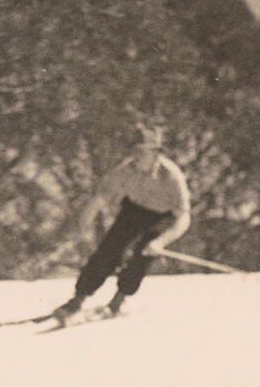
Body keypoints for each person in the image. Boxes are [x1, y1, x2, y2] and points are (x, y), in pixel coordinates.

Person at [53, 124, 191, 323]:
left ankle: (119, 299)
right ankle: (77, 299)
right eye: (134, 150)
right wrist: (82, 229)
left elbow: (184, 217)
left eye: (142, 151)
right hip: (133, 211)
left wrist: (161, 242)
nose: (137, 155)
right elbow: (97, 201)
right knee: (109, 249)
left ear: (155, 152)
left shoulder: (171, 176)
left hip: (161, 217)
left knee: (144, 252)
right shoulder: (125, 170)